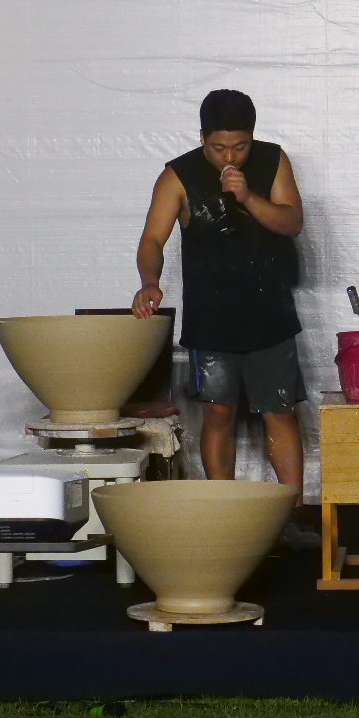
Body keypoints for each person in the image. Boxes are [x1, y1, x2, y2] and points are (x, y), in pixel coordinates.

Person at [132, 89, 315, 546]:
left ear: (252, 137)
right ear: (202, 137)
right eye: (218, 147)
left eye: (240, 146)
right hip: (210, 313)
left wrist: (247, 196)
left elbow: (292, 221)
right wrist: (150, 282)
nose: (229, 156)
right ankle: (224, 512)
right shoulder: (178, 175)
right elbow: (152, 239)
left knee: (279, 410)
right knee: (218, 412)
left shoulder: (273, 161)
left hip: (269, 309)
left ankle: (290, 515)